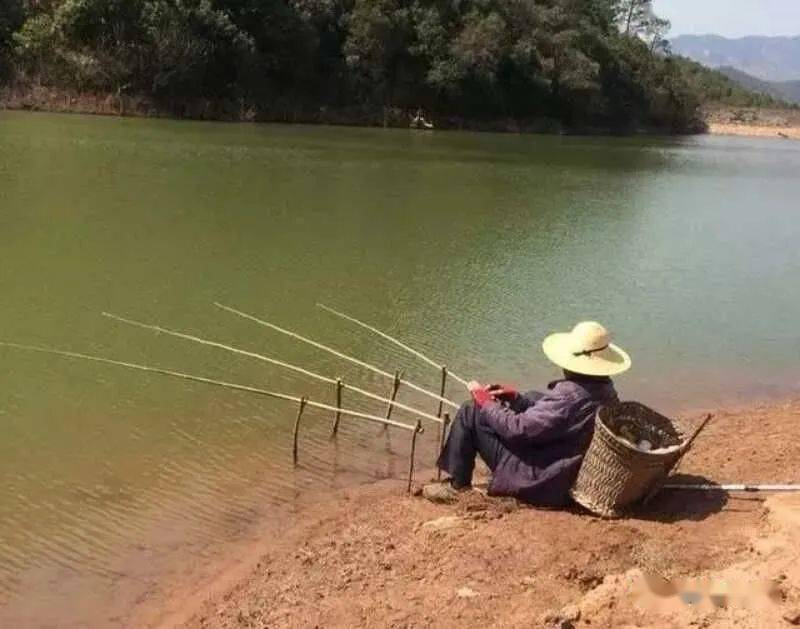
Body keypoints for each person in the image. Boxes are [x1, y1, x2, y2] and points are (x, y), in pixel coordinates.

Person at [423, 321, 631, 507]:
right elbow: (559, 413)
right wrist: (516, 398)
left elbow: (517, 429)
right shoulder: (606, 390)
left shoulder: (569, 398)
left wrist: (486, 403)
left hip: (539, 479)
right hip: (562, 466)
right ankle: (508, 406)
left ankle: (458, 486)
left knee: (470, 411)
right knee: (532, 396)